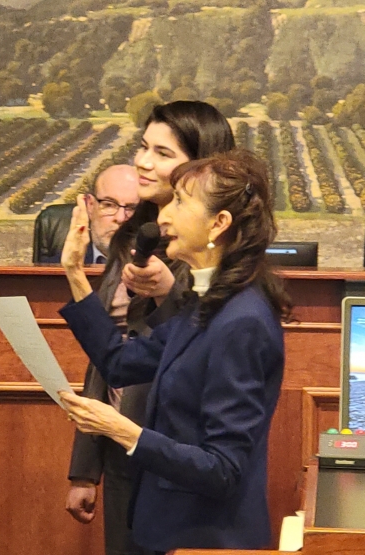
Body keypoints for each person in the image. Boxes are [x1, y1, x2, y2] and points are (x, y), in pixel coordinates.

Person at [58, 150, 290, 553]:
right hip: (165, 531)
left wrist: (123, 431)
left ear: (219, 223)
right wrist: (75, 273)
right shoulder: (206, 303)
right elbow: (119, 363)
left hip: (204, 540)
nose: (162, 217)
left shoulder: (242, 322)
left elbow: (224, 469)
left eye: (180, 203)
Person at [65, 101, 235, 555]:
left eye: (161, 153)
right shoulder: (132, 237)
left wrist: (166, 296)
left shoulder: (216, 253)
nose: (142, 162)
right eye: (143, 147)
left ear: (200, 168)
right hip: (123, 452)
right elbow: (107, 357)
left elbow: (205, 351)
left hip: (180, 461)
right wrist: (85, 467)